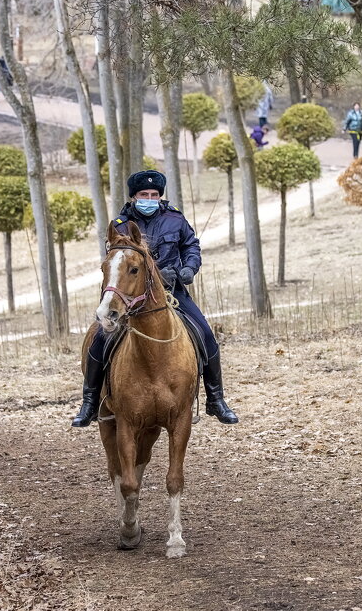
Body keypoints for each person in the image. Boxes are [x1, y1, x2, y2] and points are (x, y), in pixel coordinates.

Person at [71, 169, 239, 427]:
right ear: (134, 197)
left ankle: (216, 400)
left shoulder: (175, 218)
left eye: (154, 194)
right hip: (131, 297)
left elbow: (191, 246)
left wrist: (188, 269)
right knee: (100, 339)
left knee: (205, 334)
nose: (149, 198)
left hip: (172, 293)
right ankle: (90, 402)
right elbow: (117, 261)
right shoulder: (121, 224)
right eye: (144, 195)